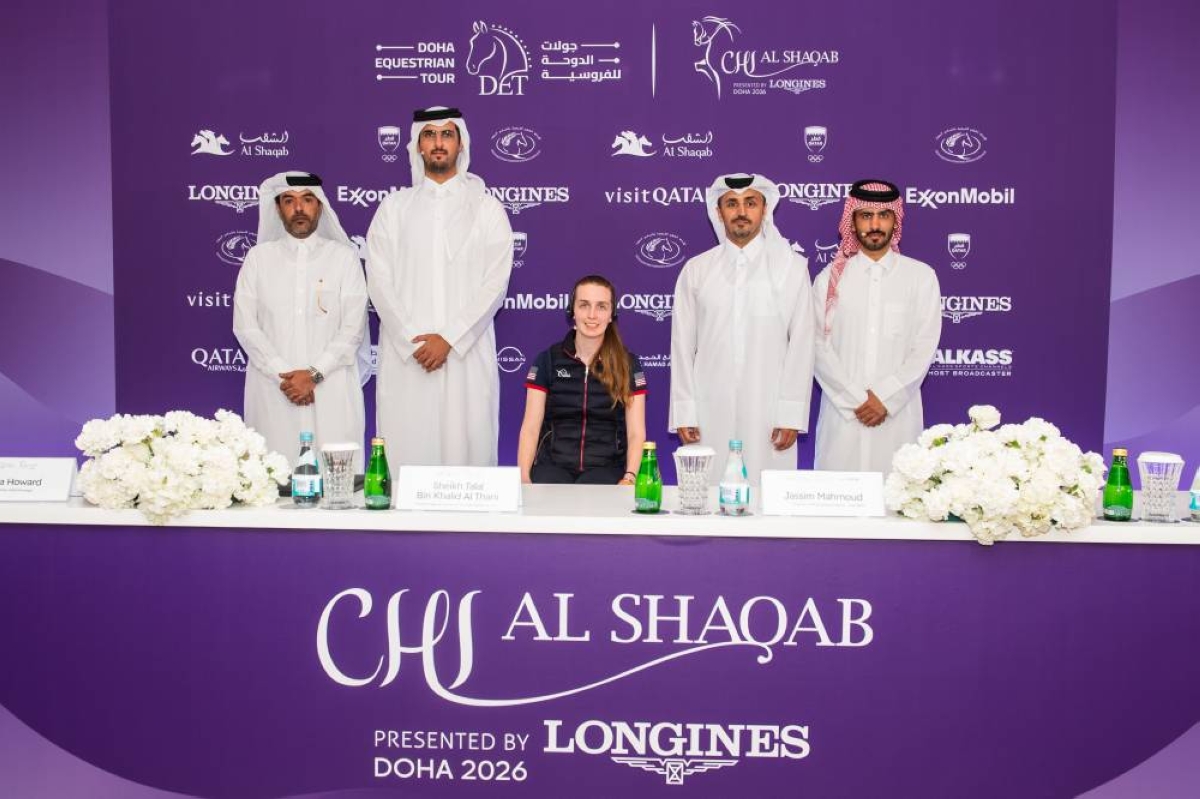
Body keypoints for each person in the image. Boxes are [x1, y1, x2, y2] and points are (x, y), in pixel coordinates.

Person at [366, 106, 513, 466]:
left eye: (447, 134)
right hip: (409, 356)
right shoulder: (393, 208)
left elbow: (495, 283)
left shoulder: (487, 208)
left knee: (468, 447)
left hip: (466, 353)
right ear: (417, 145)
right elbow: (379, 281)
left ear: (460, 143)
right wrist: (413, 338)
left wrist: (449, 338)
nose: (438, 143)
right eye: (429, 135)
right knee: (407, 449)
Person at [669, 173, 816, 483]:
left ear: (764, 209)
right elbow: (682, 346)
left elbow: (802, 345)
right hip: (709, 406)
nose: (741, 211)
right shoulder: (697, 270)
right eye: (731, 203)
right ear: (719, 211)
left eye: (751, 203)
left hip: (769, 409)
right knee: (705, 499)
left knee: (768, 501)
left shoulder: (791, 267)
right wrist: (684, 411)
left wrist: (790, 415)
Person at [233, 171, 370, 468]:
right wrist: (284, 375)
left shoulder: (343, 258)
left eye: (307, 200)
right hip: (274, 391)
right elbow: (245, 325)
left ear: (319, 206)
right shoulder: (258, 259)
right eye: (289, 201)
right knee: (272, 479)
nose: (299, 208)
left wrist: (314, 374)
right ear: (278, 208)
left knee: (338, 483)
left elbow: (353, 328)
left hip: (330, 387)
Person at [812, 179, 942, 473]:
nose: (874, 224)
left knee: (898, 502)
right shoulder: (829, 279)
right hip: (842, 417)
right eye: (865, 215)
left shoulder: (920, 277)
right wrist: (854, 400)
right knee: (836, 505)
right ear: (852, 220)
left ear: (895, 221)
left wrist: (886, 397)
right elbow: (816, 345)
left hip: (897, 417)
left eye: (883, 215)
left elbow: (924, 346)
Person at [518, 276, 648, 484]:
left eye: (601, 307)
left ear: (611, 314)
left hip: (606, 468)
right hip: (553, 465)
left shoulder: (628, 363)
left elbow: (636, 432)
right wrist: (523, 476)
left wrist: (630, 477)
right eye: (584, 305)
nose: (592, 315)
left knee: (594, 490)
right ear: (572, 311)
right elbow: (531, 427)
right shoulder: (548, 360)